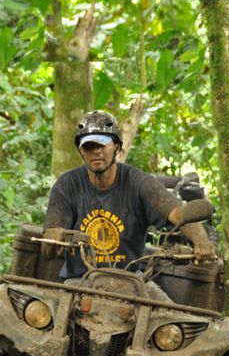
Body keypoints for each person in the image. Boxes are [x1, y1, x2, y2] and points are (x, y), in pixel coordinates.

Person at [41, 111, 214, 296]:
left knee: (171, 320)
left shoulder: (139, 183)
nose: (97, 151)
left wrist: (202, 241)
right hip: (79, 282)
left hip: (133, 283)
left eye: (104, 144)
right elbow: (49, 242)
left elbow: (178, 213)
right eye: (90, 146)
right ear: (81, 151)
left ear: (116, 147)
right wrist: (54, 239)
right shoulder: (67, 185)